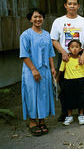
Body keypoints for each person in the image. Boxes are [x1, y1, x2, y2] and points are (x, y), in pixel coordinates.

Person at [50, 0, 84, 121]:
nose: (72, 6)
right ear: (65, 5)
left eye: (75, 4)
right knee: (64, 87)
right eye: (70, 3)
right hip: (64, 58)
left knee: (81, 87)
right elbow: (54, 40)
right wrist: (63, 52)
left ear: (78, 6)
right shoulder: (58, 21)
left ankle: (82, 111)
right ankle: (65, 112)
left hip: (80, 58)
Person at [20, 8, 56, 136]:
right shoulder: (26, 35)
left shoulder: (46, 34)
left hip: (45, 71)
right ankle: (32, 122)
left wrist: (52, 67)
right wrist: (34, 70)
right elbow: (24, 55)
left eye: (40, 16)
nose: (38, 19)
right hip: (31, 71)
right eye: (35, 17)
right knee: (31, 95)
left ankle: (42, 120)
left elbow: (50, 53)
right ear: (30, 19)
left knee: (44, 95)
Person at [57, 40, 84, 126]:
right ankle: (69, 116)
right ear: (68, 49)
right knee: (68, 99)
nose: (74, 49)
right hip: (68, 82)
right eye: (72, 47)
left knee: (81, 99)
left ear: (80, 49)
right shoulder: (66, 59)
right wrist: (57, 79)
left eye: (77, 47)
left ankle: (81, 115)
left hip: (80, 81)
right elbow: (61, 70)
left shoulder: (82, 60)